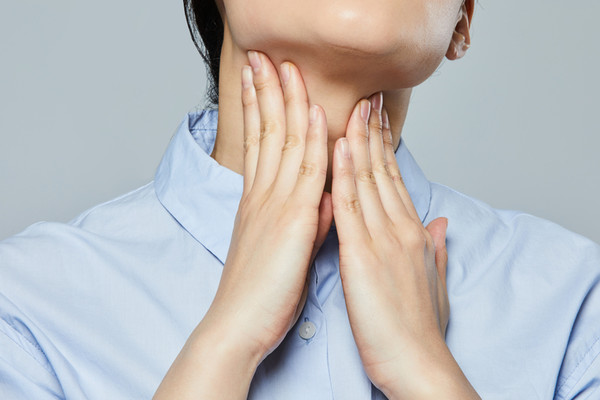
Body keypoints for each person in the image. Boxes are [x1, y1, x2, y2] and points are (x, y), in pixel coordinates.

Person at [1, 0, 599, 399]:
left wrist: (425, 374)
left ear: (463, 18)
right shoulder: (27, 310)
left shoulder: (575, 303)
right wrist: (226, 345)